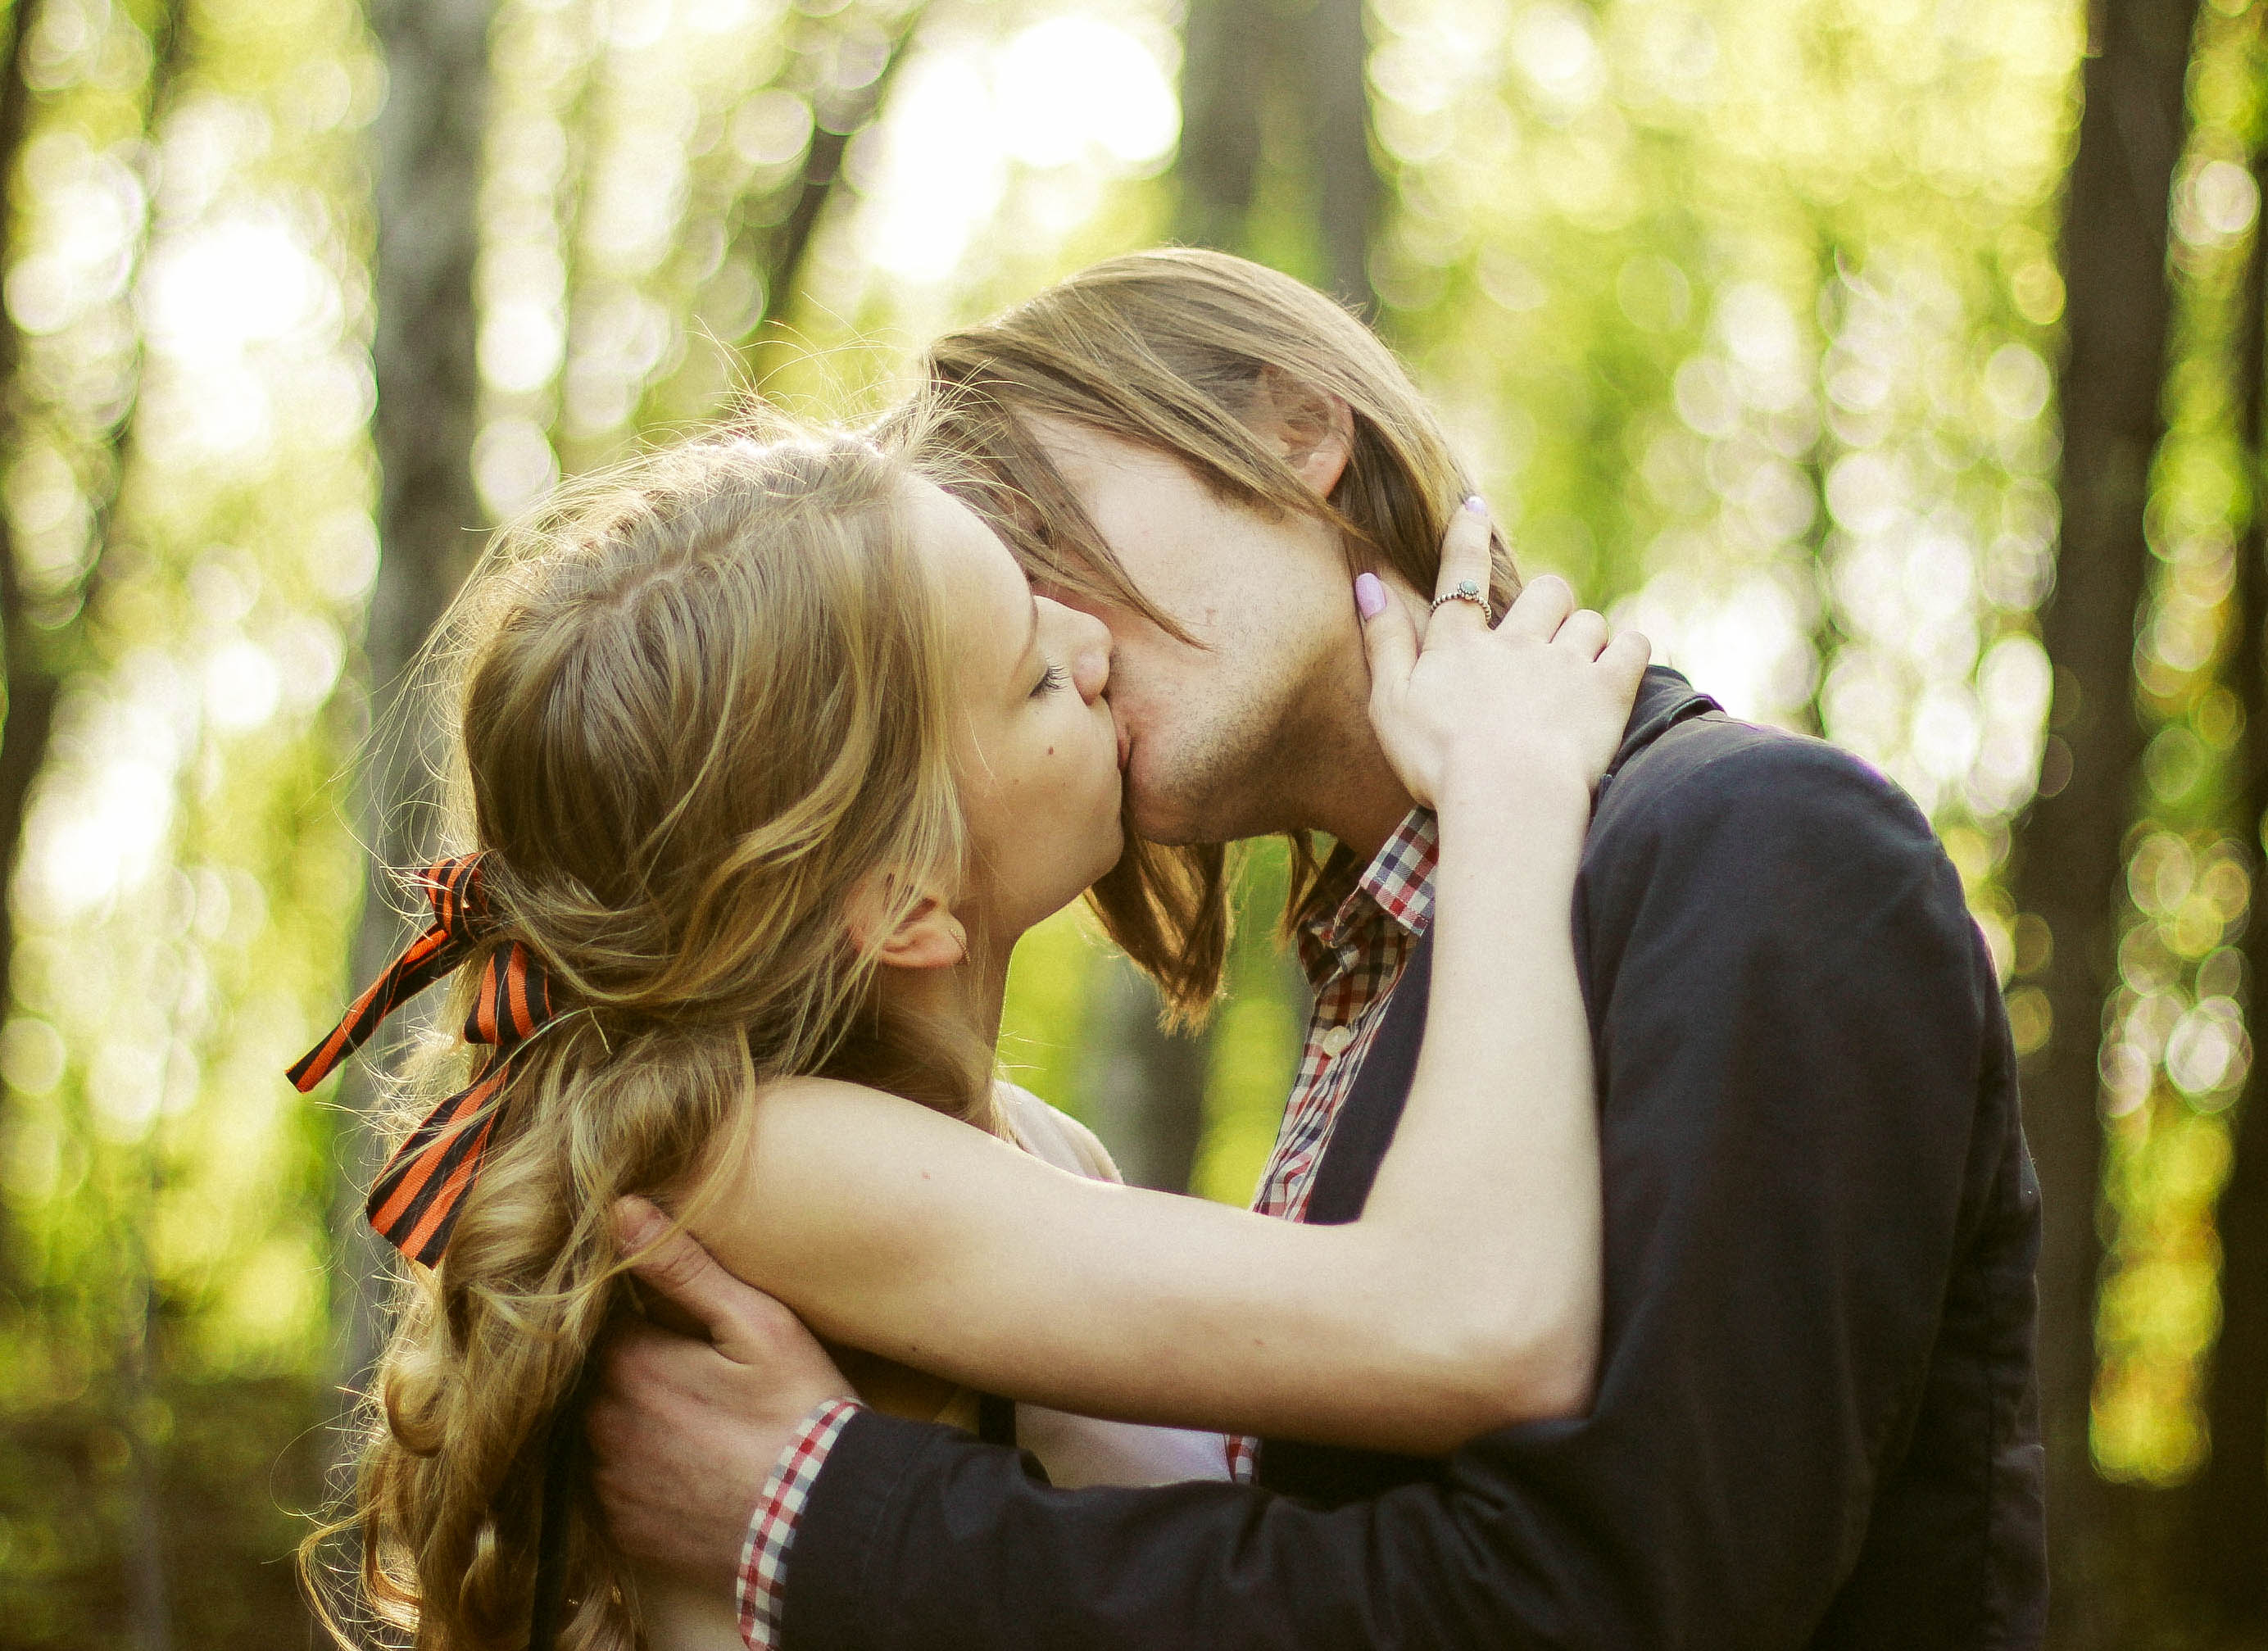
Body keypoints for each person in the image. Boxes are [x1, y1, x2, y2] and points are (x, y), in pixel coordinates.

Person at [587, 250, 2047, 1649]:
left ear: (1296, 430)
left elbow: (1605, 1611)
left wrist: (835, 1517)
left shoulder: (1766, 848)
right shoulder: (1400, 960)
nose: (1057, 634)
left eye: (1043, 537)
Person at [293, 418, 1649, 1651]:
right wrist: (1508, 795)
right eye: (1032, 677)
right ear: (904, 902)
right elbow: (1478, 1327)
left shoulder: (1012, 1152)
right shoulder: (757, 1162)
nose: (1094, 643)